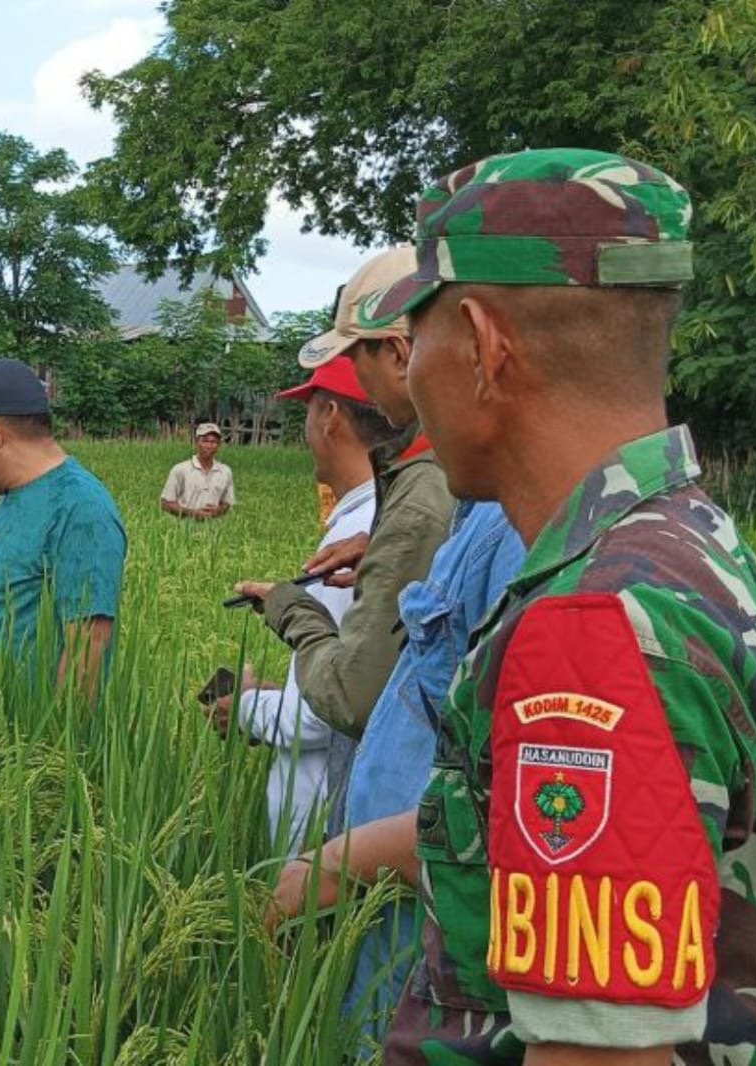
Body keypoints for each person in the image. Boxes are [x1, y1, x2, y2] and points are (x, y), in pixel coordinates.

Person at [272, 148, 756, 1065]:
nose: (409, 376)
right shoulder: (689, 544)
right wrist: (331, 863)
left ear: (482, 346)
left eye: (419, 335)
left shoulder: (599, 630)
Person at [266, 256, 529, 1050]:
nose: (364, 387)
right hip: (397, 920)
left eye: (367, 358)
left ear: (410, 351)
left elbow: (525, 814)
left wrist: (339, 863)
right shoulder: (474, 507)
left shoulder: (530, 529)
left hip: (435, 953)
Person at [234, 247, 456, 825]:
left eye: (359, 358)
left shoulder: (420, 501)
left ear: (398, 354)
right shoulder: (422, 492)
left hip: (364, 821)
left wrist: (290, 610)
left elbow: (345, 698)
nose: (362, 379)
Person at [207, 356, 397, 854]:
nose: (305, 429)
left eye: (308, 411)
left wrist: (245, 708)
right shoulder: (383, 520)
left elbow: (323, 715)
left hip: (323, 831)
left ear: (330, 416)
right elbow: (360, 678)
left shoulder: (358, 535)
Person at [0, 357, 127, 704]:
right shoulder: (9, 504)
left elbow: (86, 655)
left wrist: (50, 741)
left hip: (18, 735)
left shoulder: (81, 510)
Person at [161, 423, 235, 521]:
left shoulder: (225, 472)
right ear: (196, 442)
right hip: (183, 526)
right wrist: (192, 513)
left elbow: (227, 503)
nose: (209, 445)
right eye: (205, 441)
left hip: (214, 527)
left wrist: (217, 511)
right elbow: (166, 504)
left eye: (213, 442)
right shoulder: (180, 469)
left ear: (219, 445)